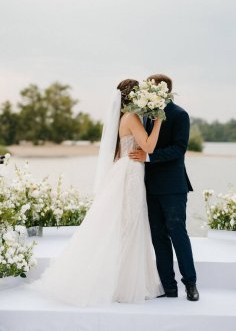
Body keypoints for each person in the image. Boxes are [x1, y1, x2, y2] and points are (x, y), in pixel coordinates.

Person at [31, 79, 164, 307]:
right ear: (134, 97)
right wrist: (159, 120)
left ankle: (124, 280)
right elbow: (149, 147)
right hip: (130, 174)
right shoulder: (131, 117)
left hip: (125, 169)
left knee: (126, 224)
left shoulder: (123, 118)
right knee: (130, 225)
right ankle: (125, 285)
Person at [129, 74, 199, 301]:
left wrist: (148, 157)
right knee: (158, 238)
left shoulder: (180, 115)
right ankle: (168, 287)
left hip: (173, 187)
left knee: (178, 234)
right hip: (149, 187)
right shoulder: (145, 118)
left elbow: (179, 149)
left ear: (163, 91)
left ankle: (190, 284)